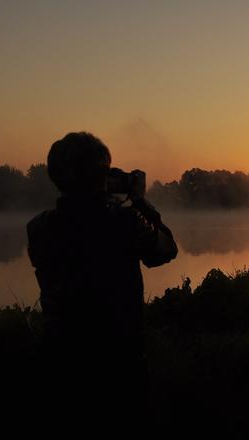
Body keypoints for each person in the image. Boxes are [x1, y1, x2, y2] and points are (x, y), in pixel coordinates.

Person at [26, 132, 177, 426]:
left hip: (60, 362)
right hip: (119, 365)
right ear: (98, 175)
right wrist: (140, 201)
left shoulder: (38, 227)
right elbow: (166, 250)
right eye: (106, 170)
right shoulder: (124, 222)